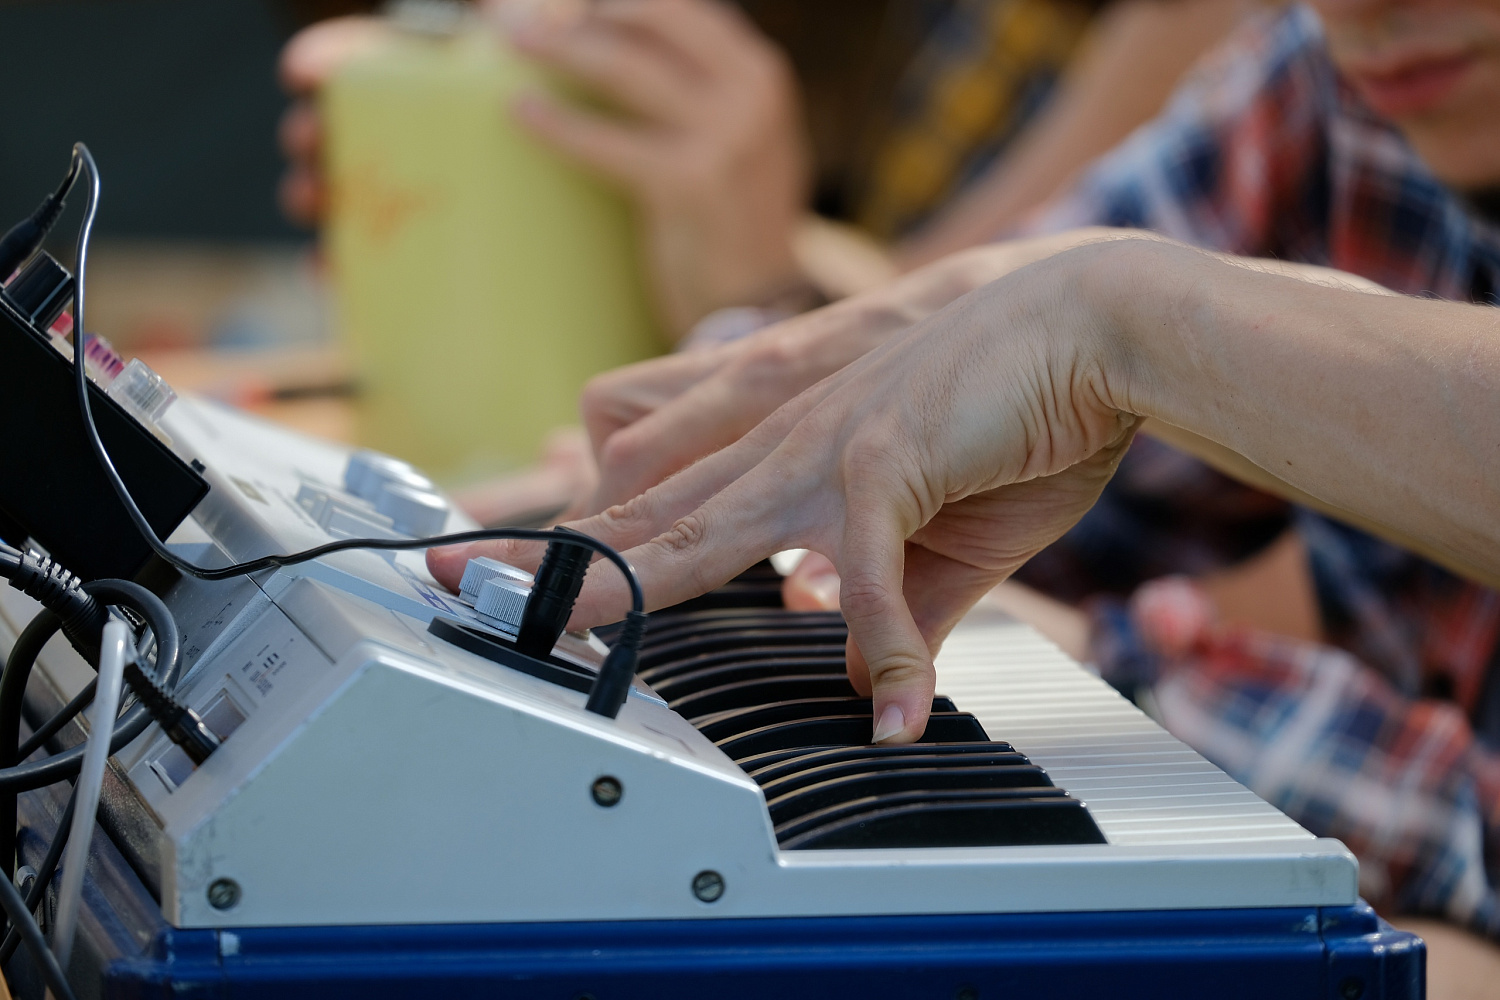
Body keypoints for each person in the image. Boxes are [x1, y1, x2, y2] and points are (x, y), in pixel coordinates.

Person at [431, 0, 1500, 967]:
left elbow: (1106, 318)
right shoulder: (1321, 83)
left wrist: (1118, 328)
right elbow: (1036, 353)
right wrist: (768, 429)